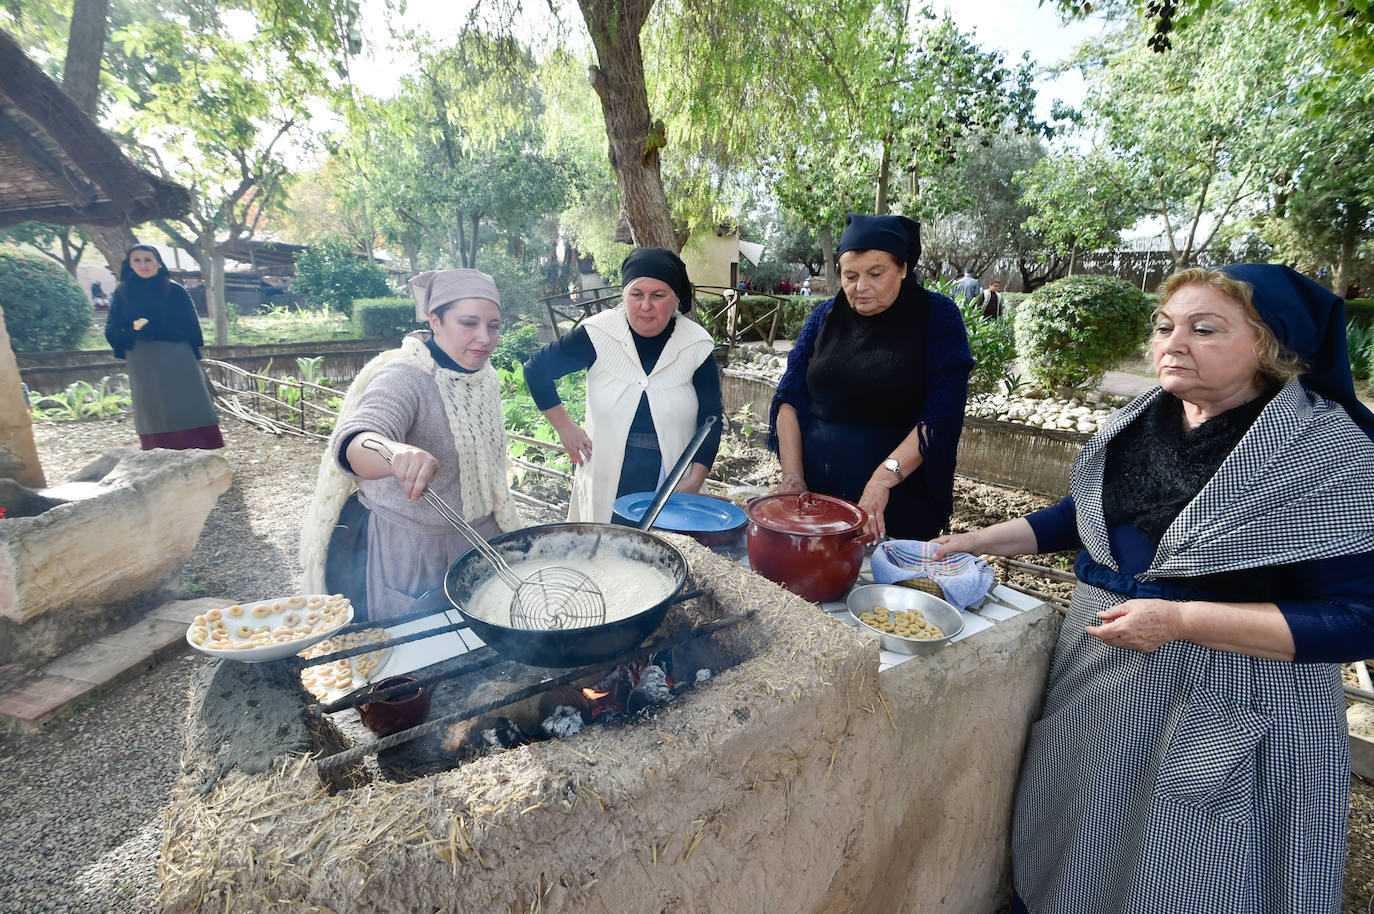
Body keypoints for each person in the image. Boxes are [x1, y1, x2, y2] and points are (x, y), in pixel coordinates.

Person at [934, 264, 1374, 914]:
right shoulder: (1146, 417)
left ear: (1271, 344)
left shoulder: (1328, 452)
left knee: (1186, 868)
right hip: (1101, 676)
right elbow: (1084, 513)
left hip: (1227, 695)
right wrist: (974, 541)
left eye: (1205, 328)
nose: (1173, 342)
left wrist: (1182, 621)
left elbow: (1360, 620)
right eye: (1165, 326)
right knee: (1081, 837)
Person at [299, 268, 521, 621]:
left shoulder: (484, 377)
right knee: (416, 655)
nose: (484, 338)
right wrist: (394, 453)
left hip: (478, 541)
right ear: (435, 320)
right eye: (468, 323)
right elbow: (357, 439)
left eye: (493, 326)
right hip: (414, 554)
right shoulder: (405, 377)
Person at [768, 213, 974, 542]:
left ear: (903, 268)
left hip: (898, 496)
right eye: (850, 276)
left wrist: (882, 479)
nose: (860, 287)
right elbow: (789, 397)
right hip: (817, 493)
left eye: (876, 274)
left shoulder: (936, 316)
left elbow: (941, 415)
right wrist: (793, 476)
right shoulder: (825, 316)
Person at [523, 247, 723, 523]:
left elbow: (711, 419)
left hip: (672, 482)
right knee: (604, 554)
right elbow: (537, 370)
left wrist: (695, 480)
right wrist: (564, 427)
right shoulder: (597, 334)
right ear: (624, 295)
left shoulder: (695, 345)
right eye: (636, 294)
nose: (646, 306)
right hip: (605, 474)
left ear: (676, 299)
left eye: (658, 295)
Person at [104, 245, 224, 450]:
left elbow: (189, 325)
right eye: (137, 260)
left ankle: (201, 449)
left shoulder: (174, 290)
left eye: (148, 259)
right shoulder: (122, 293)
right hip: (142, 359)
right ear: (130, 265)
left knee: (187, 400)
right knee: (152, 405)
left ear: (159, 263)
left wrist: (154, 329)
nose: (144, 265)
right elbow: (113, 328)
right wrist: (133, 332)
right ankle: (159, 450)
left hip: (177, 354)